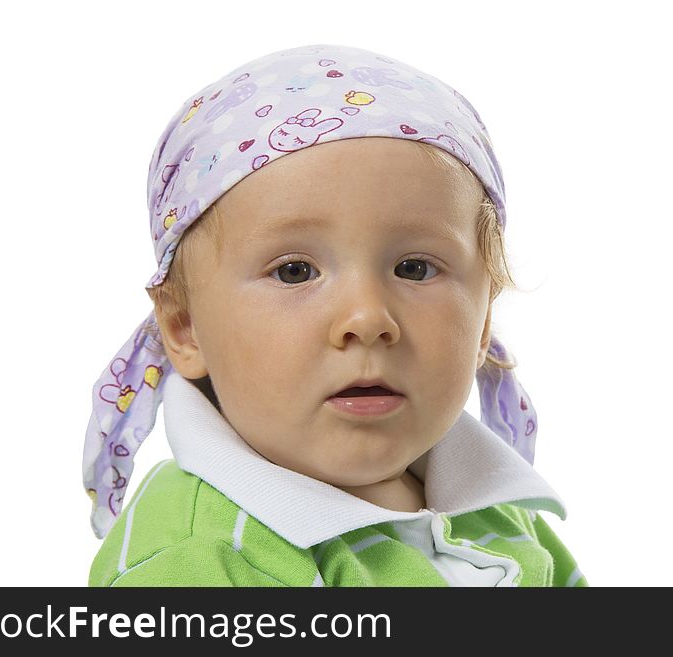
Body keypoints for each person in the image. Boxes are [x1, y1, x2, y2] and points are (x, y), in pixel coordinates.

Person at [83, 43, 588, 587]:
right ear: (184, 327)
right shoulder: (198, 560)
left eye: (415, 268)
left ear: (485, 317)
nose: (368, 318)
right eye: (295, 271)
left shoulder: (498, 512)